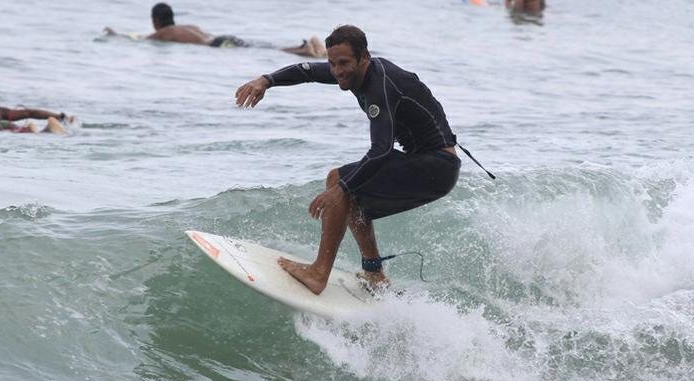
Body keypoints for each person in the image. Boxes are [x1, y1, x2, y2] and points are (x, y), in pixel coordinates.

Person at [235, 25, 464, 295]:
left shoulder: (380, 86)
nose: (337, 71)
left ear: (364, 57)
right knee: (353, 193)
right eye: (332, 63)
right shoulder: (354, 73)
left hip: (436, 166)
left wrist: (340, 189)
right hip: (429, 163)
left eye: (344, 63)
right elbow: (306, 71)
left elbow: (380, 150)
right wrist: (266, 80)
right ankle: (374, 274)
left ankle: (319, 272)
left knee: (339, 180)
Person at [104, 3, 326, 58]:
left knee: (266, 51)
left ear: (155, 21)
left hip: (218, 44)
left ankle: (304, 50)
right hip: (222, 39)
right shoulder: (187, 27)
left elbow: (141, 39)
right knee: (263, 48)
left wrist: (115, 35)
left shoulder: (164, 33)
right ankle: (302, 48)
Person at [0, 77, 72, 134]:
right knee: (28, 132)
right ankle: (50, 127)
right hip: (8, 126)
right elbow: (29, 112)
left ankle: (46, 130)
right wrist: (58, 116)